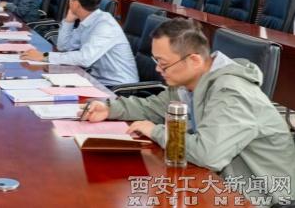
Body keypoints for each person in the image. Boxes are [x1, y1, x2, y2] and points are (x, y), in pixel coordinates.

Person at [81, 18, 295, 205]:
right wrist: (109, 109)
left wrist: (155, 131)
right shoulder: (187, 85)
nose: (158, 69)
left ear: (194, 60)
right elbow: (152, 107)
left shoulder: (232, 93)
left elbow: (208, 154)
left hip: (262, 195)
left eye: (163, 63)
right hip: (219, 182)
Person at [21, 0, 138, 86]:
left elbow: (84, 58)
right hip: (96, 80)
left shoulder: (105, 26)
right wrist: (68, 21)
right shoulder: (88, 20)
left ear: (76, 3)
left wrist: (45, 56)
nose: (69, 0)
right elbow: (63, 47)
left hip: (118, 88)